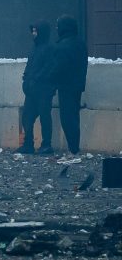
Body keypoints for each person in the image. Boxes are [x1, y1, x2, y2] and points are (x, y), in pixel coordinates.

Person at [51, 15, 88, 155]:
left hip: (65, 86)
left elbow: (59, 68)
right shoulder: (80, 43)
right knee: (74, 117)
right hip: (77, 85)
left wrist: (51, 80)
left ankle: (73, 148)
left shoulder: (63, 45)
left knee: (67, 118)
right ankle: (74, 147)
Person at [19, 21, 55, 155]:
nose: (33, 34)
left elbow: (48, 68)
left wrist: (34, 79)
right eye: (33, 31)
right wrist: (26, 77)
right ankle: (28, 144)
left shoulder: (49, 48)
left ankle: (46, 145)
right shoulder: (35, 48)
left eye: (35, 31)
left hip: (43, 90)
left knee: (45, 117)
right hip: (32, 89)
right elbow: (31, 66)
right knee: (27, 117)